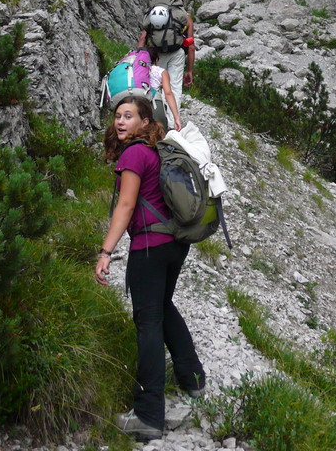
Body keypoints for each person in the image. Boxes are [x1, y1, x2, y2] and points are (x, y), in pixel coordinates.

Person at [95, 96, 205, 439]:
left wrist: (105, 251)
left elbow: (126, 206)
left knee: (147, 322)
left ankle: (148, 414)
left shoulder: (133, 154)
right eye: (117, 116)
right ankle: (193, 379)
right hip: (175, 244)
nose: (120, 121)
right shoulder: (161, 150)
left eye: (129, 116)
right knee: (162, 306)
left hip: (149, 246)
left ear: (146, 121)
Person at [138, 0, 195, 112]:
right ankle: (173, 122)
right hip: (177, 54)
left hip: (157, 54)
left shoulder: (152, 16)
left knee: (156, 84)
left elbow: (143, 38)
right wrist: (189, 71)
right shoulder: (185, 18)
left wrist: (139, 60)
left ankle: (156, 116)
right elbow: (191, 46)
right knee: (175, 87)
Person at [149, 46, 182, 132]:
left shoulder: (136, 70)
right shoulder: (161, 72)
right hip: (153, 106)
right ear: (156, 60)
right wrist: (176, 118)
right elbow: (168, 93)